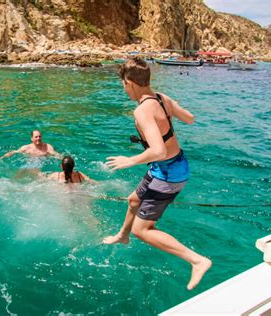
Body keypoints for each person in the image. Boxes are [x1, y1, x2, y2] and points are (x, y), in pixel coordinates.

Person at [103, 57, 211, 290]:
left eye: (123, 84)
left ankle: (198, 261)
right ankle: (123, 236)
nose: (124, 89)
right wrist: (170, 112)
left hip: (169, 174)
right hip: (169, 166)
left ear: (130, 82)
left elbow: (158, 150)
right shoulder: (162, 98)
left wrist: (130, 160)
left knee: (142, 230)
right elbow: (190, 119)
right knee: (134, 200)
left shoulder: (142, 110)